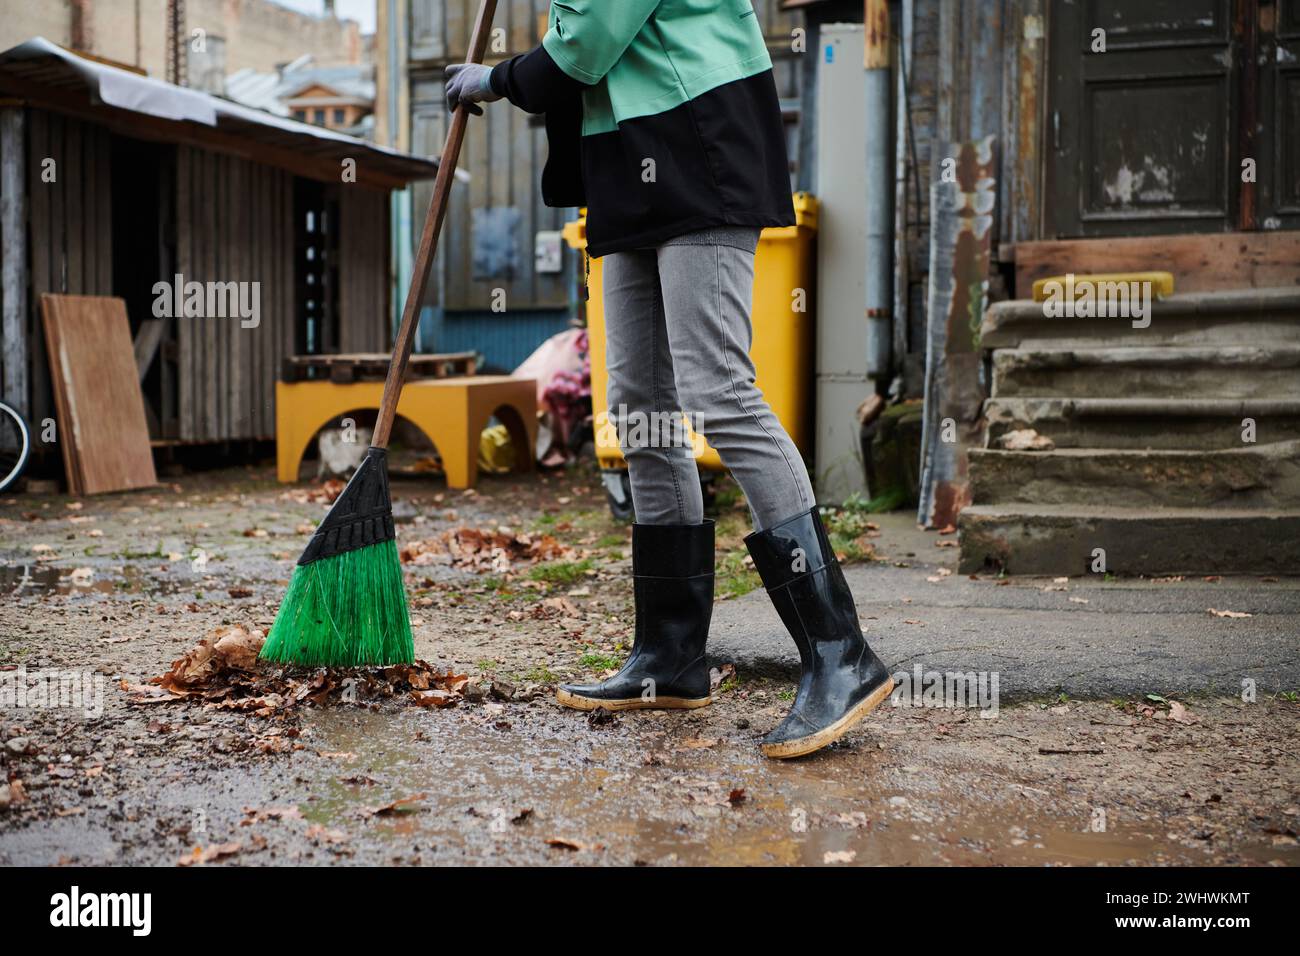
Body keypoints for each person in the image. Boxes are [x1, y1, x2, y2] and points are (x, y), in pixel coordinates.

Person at [445, 0, 893, 758]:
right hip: (626, 166)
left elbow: (584, 47)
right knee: (637, 406)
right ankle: (670, 658)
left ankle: (840, 654)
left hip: (697, 145)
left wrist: (493, 78)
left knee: (718, 387)